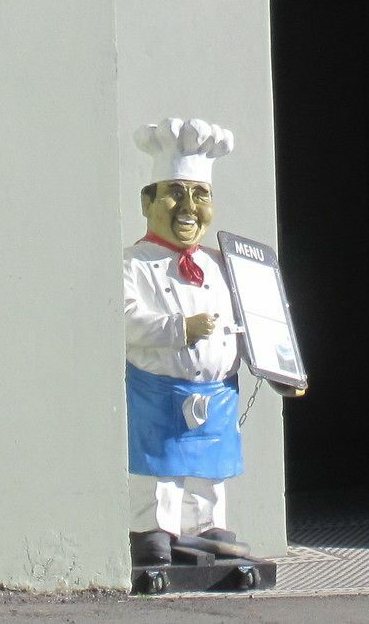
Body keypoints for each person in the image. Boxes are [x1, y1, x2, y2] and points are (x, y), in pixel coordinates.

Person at [124, 116, 250, 568]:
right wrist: (180, 329)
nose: (188, 208)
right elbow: (126, 321)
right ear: (148, 201)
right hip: (158, 390)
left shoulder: (224, 264)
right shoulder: (133, 264)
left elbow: (255, 316)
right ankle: (155, 532)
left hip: (216, 392)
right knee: (159, 466)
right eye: (175, 192)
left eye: (201, 196)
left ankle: (209, 529)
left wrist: (278, 362)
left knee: (210, 467)